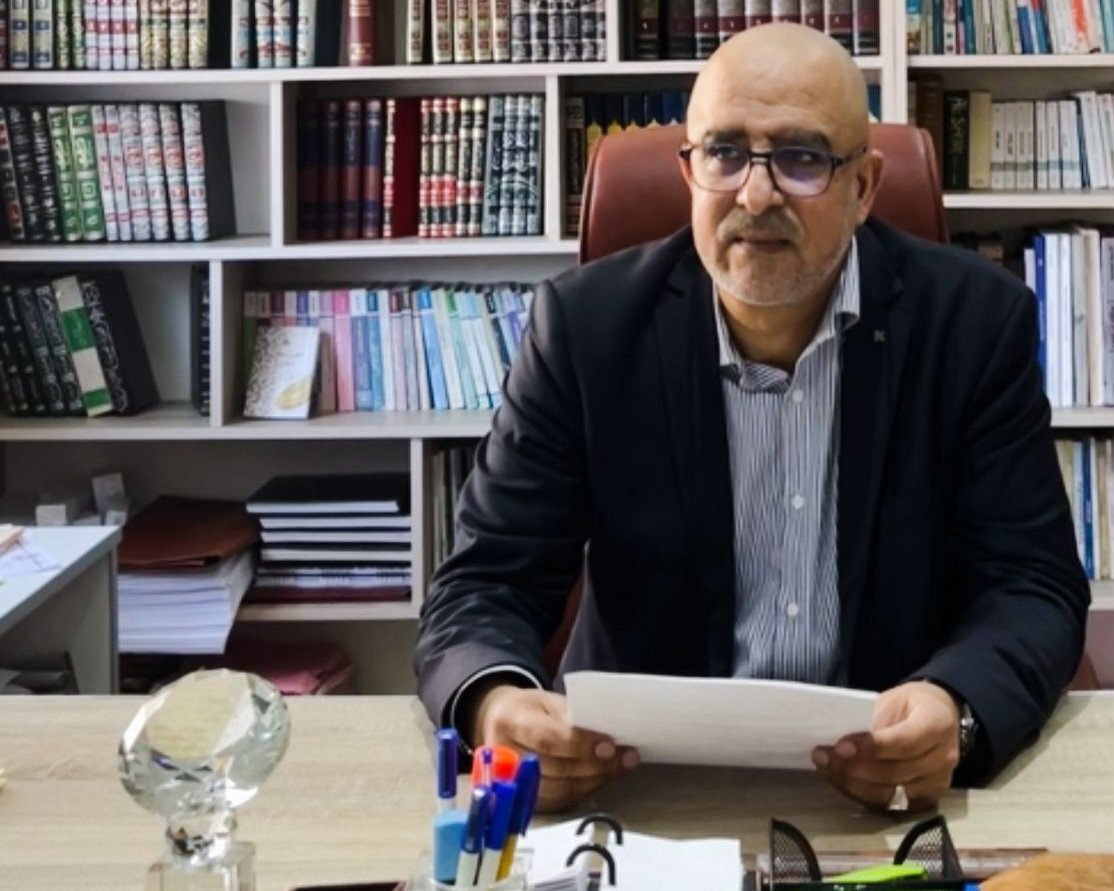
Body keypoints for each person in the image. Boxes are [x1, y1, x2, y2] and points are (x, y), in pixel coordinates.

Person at [414, 23, 1089, 814]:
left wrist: (957, 709)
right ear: (689, 171)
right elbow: (486, 580)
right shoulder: (586, 329)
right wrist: (493, 700)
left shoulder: (972, 324)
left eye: (801, 157)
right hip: (638, 786)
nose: (756, 195)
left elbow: (1032, 584)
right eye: (725, 153)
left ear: (865, 186)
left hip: (882, 791)